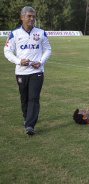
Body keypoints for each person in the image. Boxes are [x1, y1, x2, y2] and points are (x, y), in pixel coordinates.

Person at [4, 6, 52, 136]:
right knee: (24, 98)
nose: (32, 19)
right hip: (21, 72)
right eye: (29, 16)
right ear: (22, 17)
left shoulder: (41, 32)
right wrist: (19, 61)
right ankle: (26, 117)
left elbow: (48, 49)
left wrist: (41, 62)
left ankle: (30, 125)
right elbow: (7, 51)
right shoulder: (14, 33)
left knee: (34, 98)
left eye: (33, 16)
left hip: (37, 72)